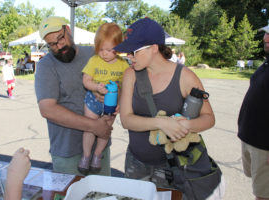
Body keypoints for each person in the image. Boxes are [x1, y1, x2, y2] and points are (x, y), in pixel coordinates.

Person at [114, 18, 215, 188]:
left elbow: (209, 118)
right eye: (127, 52)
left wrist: (185, 125)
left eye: (134, 51)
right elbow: (126, 120)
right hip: (135, 162)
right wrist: (162, 123)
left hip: (173, 166)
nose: (129, 57)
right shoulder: (130, 74)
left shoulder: (185, 76)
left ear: (154, 48)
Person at [35, 16, 114, 176]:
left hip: (99, 149)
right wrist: (94, 126)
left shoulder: (94, 55)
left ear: (68, 30)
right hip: (68, 154)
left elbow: (117, 78)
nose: (59, 46)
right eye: (52, 44)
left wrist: (112, 96)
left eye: (60, 38)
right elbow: (48, 109)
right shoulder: (46, 66)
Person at [78, 23, 129, 174]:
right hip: (93, 100)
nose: (104, 53)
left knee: (105, 130)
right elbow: (86, 80)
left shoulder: (123, 64)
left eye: (108, 50)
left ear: (119, 47)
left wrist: (120, 102)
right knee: (89, 128)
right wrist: (95, 87)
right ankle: (86, 156)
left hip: (112, 103)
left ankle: (97, 156)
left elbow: (126, 86)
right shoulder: (94, 60)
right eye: (101, 49)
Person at [237, 24, 269, 200]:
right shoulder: (266, 63)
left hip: (265, 146)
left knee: (263, 195)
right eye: (266, 34)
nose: (266, 38)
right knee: (259, 188)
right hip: (251, 139)